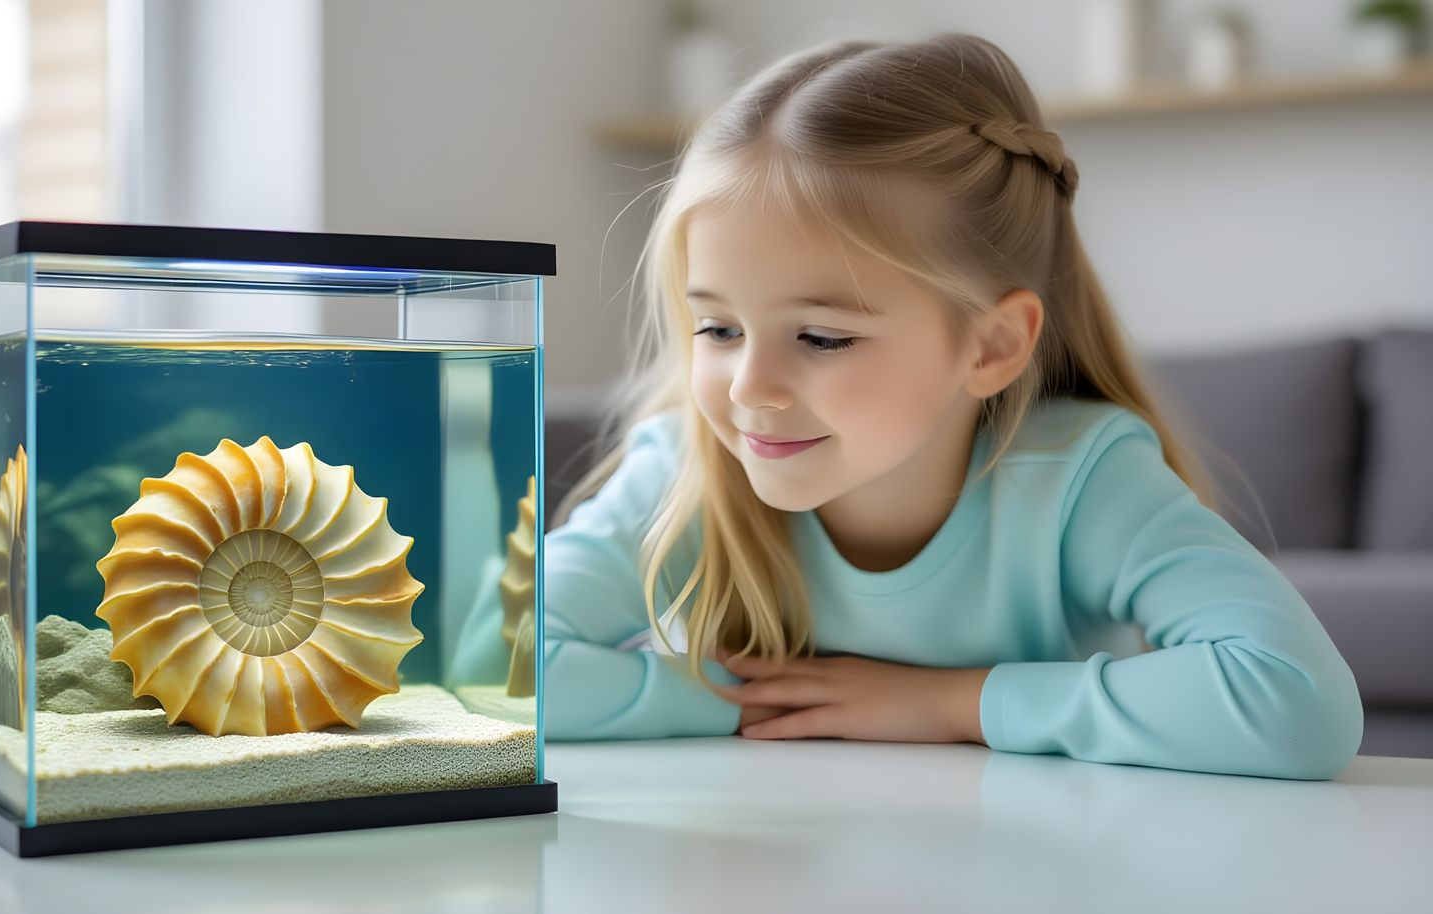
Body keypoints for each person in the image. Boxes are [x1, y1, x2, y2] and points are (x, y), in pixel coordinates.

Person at [542, 34, 1362, 779]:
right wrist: (754, 701)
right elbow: (485, 670)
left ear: (992, 346)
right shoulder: (687, 469)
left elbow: (1300, 705)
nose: (749, 388)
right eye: (718, 327)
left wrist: (948, 703)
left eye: (822, 338)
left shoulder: (1077, 481)